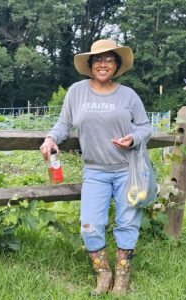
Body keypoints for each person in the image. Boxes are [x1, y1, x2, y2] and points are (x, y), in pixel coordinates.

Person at [40, 39, 152, 296]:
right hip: (94, 171)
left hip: (127, 169)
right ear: (90, 65)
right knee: (89, 225)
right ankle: (103, 274)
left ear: (117, 65)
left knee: (127, 223)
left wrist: (133, 138)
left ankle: (122, 279)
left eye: (109, 59)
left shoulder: (128, 95)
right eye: (98, 60)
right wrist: (49, 138)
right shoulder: (77, 92)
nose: (103, 64)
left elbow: (146, 127)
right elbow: (63, 124)